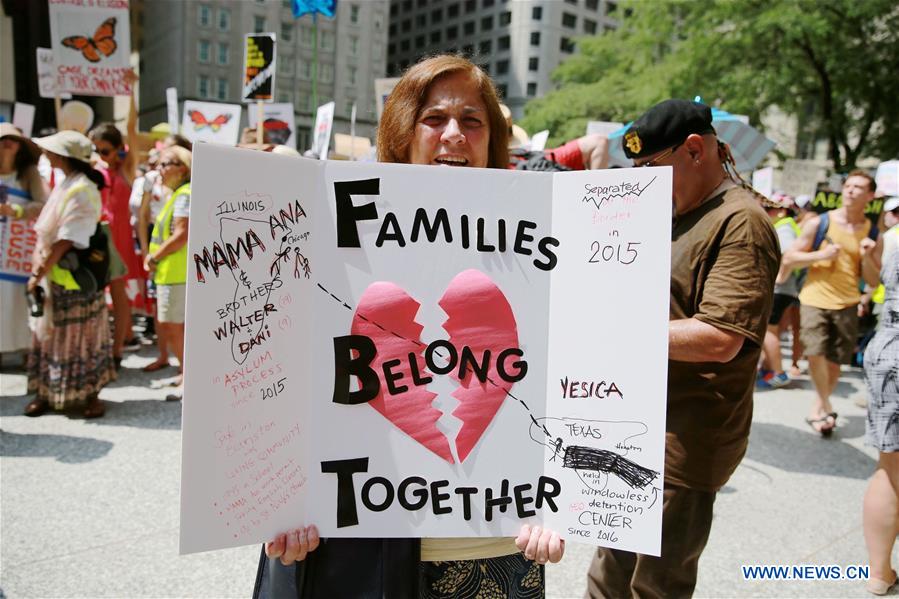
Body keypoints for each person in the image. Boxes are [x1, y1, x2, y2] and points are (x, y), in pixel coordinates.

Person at [256, 55, 563, 599]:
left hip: (493, 545)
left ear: (494, 141)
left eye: (472, 121)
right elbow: (285, 376)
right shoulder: (330, 233)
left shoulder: (543, 241)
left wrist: (567, 502)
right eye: (434, 119)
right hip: (362, 545)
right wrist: (285, 501)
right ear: (402, 135)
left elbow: (567, 382)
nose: (454, 134)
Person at [585, 99, 779, 598]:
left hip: (684, 438)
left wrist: (608, 328)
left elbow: (720, 337)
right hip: (634, 424)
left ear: (695, 150)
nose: (641, 181)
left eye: (650, 166)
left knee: (655, 585)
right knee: (607, 578)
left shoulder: (741, 221)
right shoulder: (672, 210)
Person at [782, 171, 882, 435]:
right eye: (848, 186)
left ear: (870, 196)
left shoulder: (872, 233)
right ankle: (826, 405)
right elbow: (790, 258)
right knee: (815, 352)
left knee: (836, 361)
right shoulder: (820, 223)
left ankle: (819, 407)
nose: (850, 190)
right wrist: (821, 255)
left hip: (848, 301)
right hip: (814, 298)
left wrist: (868, 256)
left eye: (858, 187)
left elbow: (874, 280)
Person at [25, 130, 115, 418]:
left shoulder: (82, 188)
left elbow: (67, 239)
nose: (46, 154)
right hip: (60, 275)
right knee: (55, 335)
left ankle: (90, 395)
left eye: (51, 150)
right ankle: (48, 392)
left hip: (75, 277)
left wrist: (39, 271)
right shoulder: (69, 182)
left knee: (81, 337)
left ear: (63, 156)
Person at [89, 82, 142, 367]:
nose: (101, 155)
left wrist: (131, 89)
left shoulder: (126, 169)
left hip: (118, 241)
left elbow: (132, 127)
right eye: (96, 149)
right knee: (96, 297)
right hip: (95, 238)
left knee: (120, 298)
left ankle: (117, 351)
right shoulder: (92, 170)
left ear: (118, 149)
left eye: (105, 150)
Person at [862, 199, 899, 594]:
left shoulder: (892, 238)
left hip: (888, 346)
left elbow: (877, 284)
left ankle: (878, 572)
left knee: (889, 466)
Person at [143, 146, 191, 395]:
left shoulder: (184, 195)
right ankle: (185, 372)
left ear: (182, 168)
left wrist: (154, 256)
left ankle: (188, 377)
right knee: (173, 324)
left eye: (165, 164)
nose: (159, 169)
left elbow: (182, 234)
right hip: (171, 271)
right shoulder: (179, 194)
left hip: (176, 272)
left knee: (174, 325)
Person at [0, 123, 48, 359]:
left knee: (19, 298)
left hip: (18, 248)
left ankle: (27, 351)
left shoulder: (29, 173)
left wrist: (17, 211)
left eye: (13, 140)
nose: (8, 143)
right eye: (3, 139)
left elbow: (43, 204)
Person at [757, 193, 801, 390]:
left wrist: (780, 277)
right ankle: (769, 370)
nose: (765, 212)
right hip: (782, 288)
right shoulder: (785, 226)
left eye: (768, 208)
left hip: (779, 288)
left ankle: (778, 373)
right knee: (770, 330)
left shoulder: (784, 228)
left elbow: (789, 254)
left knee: (768, 330)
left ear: (782, 210)